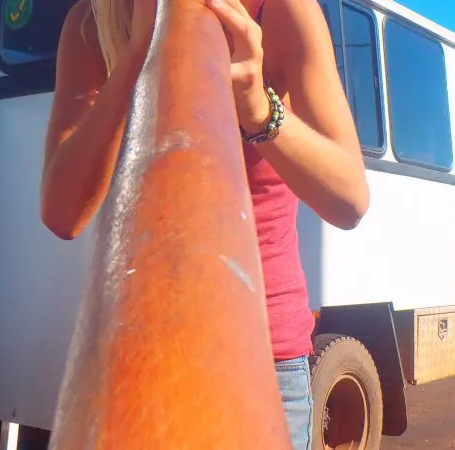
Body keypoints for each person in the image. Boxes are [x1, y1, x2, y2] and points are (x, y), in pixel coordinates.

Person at [40, 0, 369, 447]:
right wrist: (137, 54)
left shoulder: (281, 10)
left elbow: (349, 197)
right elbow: (62, 212)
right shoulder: (91, 22)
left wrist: (259, 110)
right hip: (138, 346)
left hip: (264, 358)